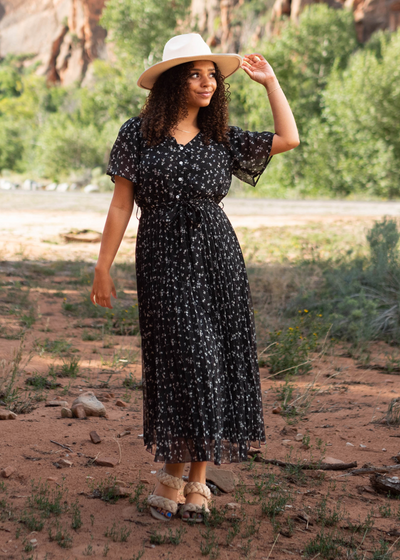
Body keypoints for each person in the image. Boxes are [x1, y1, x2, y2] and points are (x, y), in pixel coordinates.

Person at [90, 33, 299, 523]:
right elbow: (122, 203)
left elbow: (288, 139)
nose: (208, 83)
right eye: (195, 74)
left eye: (212, 75)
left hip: (217, 255)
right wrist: (103, 264)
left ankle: (192, 477)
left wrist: (270, 83)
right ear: (171, 82)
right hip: (161, 256)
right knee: (184, 356)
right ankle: (175, 470)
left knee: (215, 356)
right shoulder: (137, 134)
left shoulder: (221, 136)